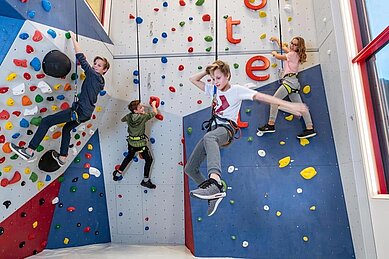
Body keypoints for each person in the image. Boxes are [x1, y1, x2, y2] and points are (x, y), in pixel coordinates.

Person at [185, 60, 308, 216]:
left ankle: (215, 182)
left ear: (227, 75)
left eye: (218, 78)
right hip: (213, 133)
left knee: (209, 137)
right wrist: (207, 70)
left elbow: (263, 97)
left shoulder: (236, 90)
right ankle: (214, 195)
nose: (215, 82)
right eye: (213, 79)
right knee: (190, 169)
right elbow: (193, 80)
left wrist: (290, 106)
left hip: (226, 130)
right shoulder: (213, 90)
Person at [10, 31, 110, 166]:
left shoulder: (93, 75)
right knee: (67, 129)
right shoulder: (100, 81)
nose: (95, 66)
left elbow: (81, 57)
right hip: (86, 114)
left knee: (46, 122)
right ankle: (63, 157)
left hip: (79, 111)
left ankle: (29, 150)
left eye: (99, 65)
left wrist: (74, 39)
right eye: (95, 63)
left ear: (104, 70)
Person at [257, 36, 316, 139]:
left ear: (299, 46)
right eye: (292, 43)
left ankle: (271, 124)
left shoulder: (292, 54)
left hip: (289, 82)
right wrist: (277, 40)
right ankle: (310, 128)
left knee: (274, 100)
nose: (292, 46)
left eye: (295, 44)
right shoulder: (294, 54)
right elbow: (284, 47)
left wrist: (274, 54)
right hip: (293, 82)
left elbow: (280, 57)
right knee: (301, 107)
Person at [112, 99, 158, 189]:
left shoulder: (129, 116)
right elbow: (155, 112)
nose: (143, 107)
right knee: (149, 160)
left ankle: (117, 174)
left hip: (131, 143)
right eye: (140, 107)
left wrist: (132, 118)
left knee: (129, 157)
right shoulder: (142, 117)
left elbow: (122, 120)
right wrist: (153, 105)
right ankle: (145, 181)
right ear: (135, 111)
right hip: (140, 144)